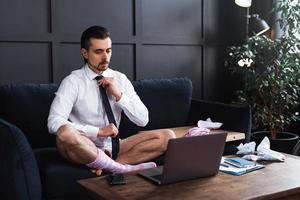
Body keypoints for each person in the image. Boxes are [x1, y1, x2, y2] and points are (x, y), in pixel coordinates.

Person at [47, 25, 176, 175]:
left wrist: (119, 95)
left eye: (108, 50)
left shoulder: (120, 79)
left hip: (115, 147)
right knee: (65, 133)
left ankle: (106, 165)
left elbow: (143, 120)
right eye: (98, 51)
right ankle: (118, 167)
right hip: (84, 145)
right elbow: (54, 121)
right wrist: (99, 131)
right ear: (85, 53)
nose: (105, 57)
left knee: (168, 136)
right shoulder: (73, 81)